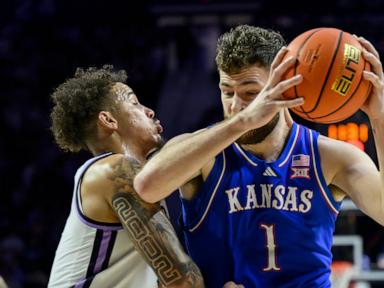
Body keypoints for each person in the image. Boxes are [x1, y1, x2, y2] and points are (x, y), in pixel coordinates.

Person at [134, 25, 384, 287]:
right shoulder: (203, 153)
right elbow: (146, 185)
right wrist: (242, 121)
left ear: (285, 85)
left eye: (251, 93)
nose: (235, 105)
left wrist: (379, 119)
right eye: (227, 91)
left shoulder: (328, 156)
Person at [47, 65, 205, 288]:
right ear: (109, 120)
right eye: (135, 103)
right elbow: (183, 280)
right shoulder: (113, 169)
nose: (149, 111)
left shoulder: (138, 179)